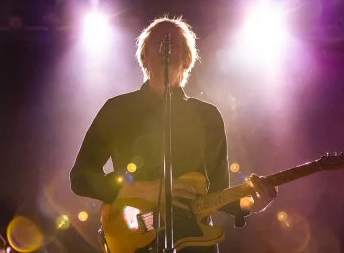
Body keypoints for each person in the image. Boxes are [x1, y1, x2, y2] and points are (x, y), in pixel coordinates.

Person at [70, 16, 278, 253]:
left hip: (194, 244)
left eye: (172, 45)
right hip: (132, 235)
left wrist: (252, 202)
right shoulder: (116, 110)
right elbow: (81, 177)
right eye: (157, 43)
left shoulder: (207, 116)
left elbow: (219, 192)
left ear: (188, 59)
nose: (164, 50)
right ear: (144, 58)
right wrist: (144, 189)